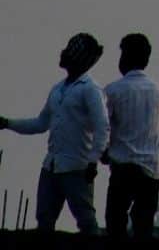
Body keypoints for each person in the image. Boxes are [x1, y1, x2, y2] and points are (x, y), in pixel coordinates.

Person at [0, 33, 110, 233]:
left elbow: (102, 127)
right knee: (45, 219)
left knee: (85, 220)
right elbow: (41, 123)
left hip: (77, 166)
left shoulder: (91, 90)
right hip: (52, 165)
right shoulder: (58, 89)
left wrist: (93, 160)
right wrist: (8, 123)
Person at [103, 34, 159, 241]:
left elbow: (104, 128)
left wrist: (101, 152)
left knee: (115, 221)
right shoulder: (157, 91)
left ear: (125, 57)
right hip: (151, 168)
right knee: (144, 225)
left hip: (124, 165)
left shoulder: (113, 90)